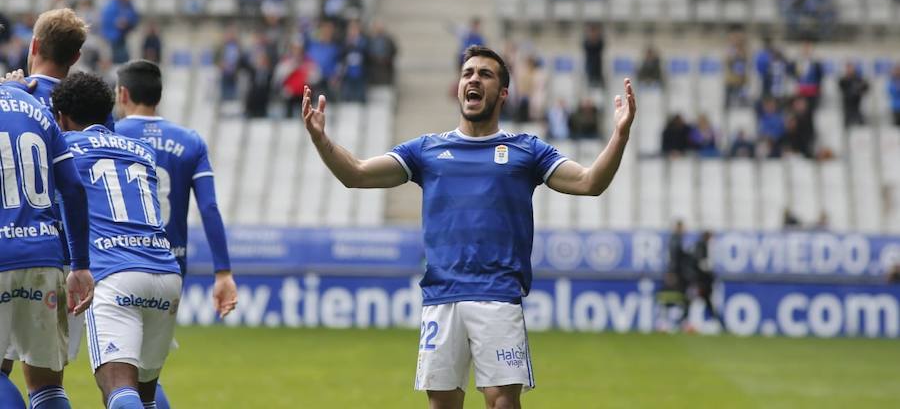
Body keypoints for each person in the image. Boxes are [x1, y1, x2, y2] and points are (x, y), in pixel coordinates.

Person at [301, 45, 636, 408]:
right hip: (442, 297)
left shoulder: (528, 150)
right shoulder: (426, 150)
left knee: (502, 403)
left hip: (497, 294)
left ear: (503, 93)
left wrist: (619, 135)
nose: (473, 79)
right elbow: (357, 174)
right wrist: (322, 139)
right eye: (467, 73)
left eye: (485, 74)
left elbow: (589, 182)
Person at [52, 72, 182, 409]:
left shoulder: (65, 147)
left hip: (114, 273)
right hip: (166, 274)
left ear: (62, 118)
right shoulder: (141, 150)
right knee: (145, 395)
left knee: (119, 389)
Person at [114, 60, 239, 409]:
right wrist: (223, 271)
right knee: (145, 377)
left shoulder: (111, 134)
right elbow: (210, 209)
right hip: (171, 269)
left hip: (121, 262)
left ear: (122, 94)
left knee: (122, 379)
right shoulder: (190, 141)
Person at [0, 83, 94, 409]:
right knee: (46, 385)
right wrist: (80, 264)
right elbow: (73, 188)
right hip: (44, 255)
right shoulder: (37, 109)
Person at [691, 231, 725, 330]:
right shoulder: (702, 246)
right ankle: (717, 323)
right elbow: (701, 264)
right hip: (703, 281)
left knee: (704, 302)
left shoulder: (704, 246)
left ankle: (715, 323)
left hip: (704, 281)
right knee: (703, 302)